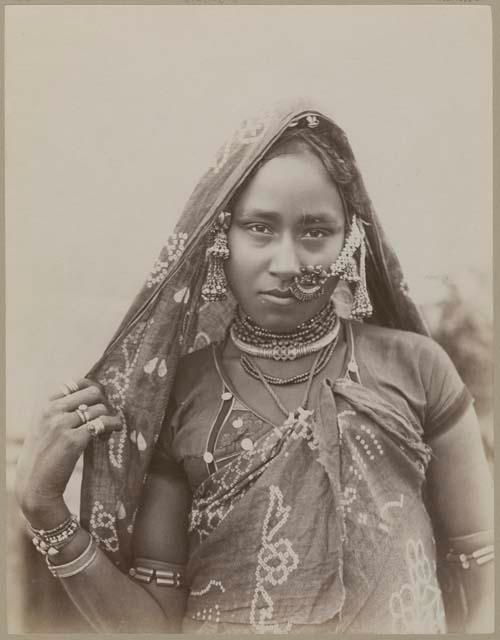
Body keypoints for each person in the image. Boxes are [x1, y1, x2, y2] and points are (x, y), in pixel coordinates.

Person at [16, 100, 493, 634]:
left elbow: (486, 573)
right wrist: (44, 509)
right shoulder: (180, 394)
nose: (287, 264)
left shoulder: (418, 368)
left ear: (350, 241)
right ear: (221, 238)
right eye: (259, 228)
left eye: (315, 231)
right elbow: (151, 627)